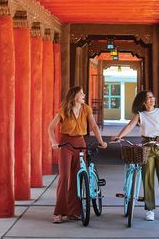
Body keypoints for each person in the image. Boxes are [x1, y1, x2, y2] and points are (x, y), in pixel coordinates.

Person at [111, 90, 159, 222]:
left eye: (153, 97)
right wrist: (119, 136)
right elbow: (129, 126)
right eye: (149, 98)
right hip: (146, 148)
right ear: (143, 102)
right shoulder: (140, 115)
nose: (152, 99)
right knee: (147, 179)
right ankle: (150, 209)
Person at [48, 86, 107, 224]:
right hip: (66, 144)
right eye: (81, 93)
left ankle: (74, 212)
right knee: (64, 177)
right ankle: (59, 212)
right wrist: (53, 142)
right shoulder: (64, 110)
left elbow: (93, 126)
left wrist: (101, 141)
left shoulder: (86, 109)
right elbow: (50, 127)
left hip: (80, 143)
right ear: (75, 96)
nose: (84, 95)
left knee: (77, 178)